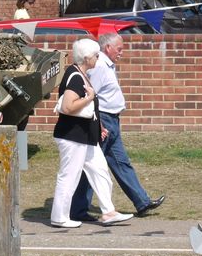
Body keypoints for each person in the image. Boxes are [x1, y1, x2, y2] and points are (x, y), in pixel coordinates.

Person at [71, 32, 165, 219]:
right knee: (93, 165)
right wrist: (98, 123)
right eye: (119, 49)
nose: (122, 53)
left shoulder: (107, 65)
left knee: (121, 163)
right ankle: (77, 209)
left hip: (112, 119)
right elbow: (91, 95)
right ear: (108, 48)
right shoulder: (100, 67)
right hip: (104, 119)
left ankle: (142, 202)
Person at [50, 38, 133, 228]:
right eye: (96, 55)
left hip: (86, 136)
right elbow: (68, 107)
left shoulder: (83, 74)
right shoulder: (75, 77)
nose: (98, 58)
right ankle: (59, 217)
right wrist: (89, 98)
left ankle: (108, 212)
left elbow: (88, 109)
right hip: (73, 137)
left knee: (100, 172)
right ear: (87, 58)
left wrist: (98, 125)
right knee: (69, 176)